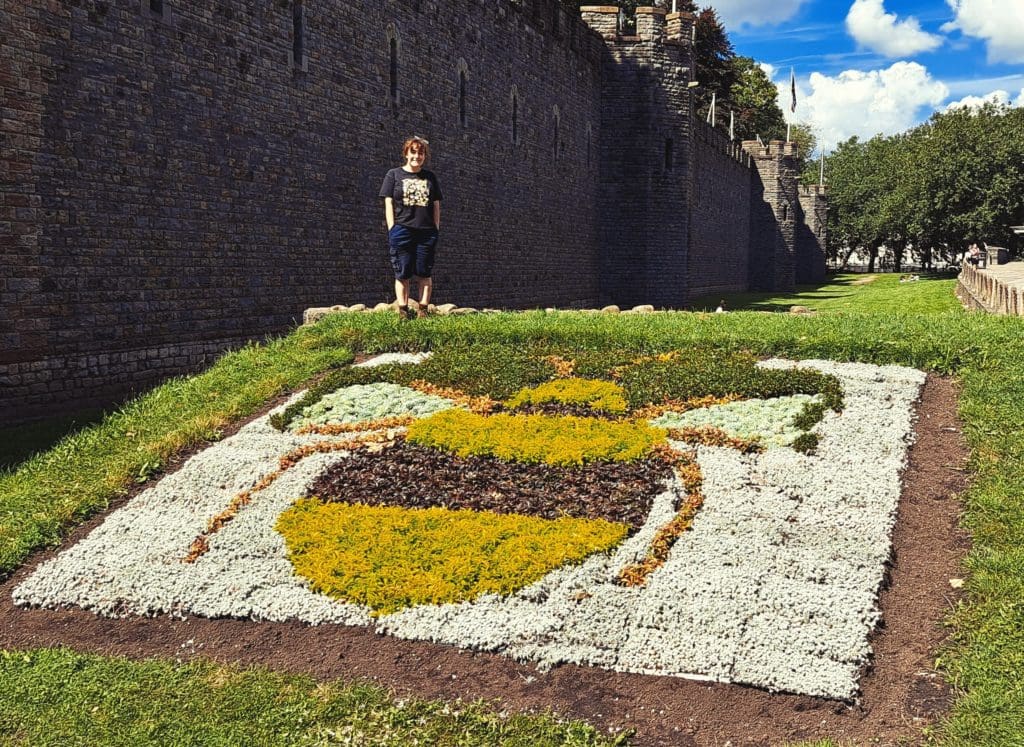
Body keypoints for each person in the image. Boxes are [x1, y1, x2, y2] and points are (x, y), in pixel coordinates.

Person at [379, 136, 442, 319]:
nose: (417, 156)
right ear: (406, 153)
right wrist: (392, 227)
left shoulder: (430, 177)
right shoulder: (394, 175)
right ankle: (403, 310)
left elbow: (436, 204)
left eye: (420, 153)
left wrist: (435, 228)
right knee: (402, 271)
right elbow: (388, 202)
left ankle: (423, 309)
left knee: (424, 271)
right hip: (402, 229)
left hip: (426, 231)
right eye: (413, 152)